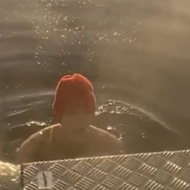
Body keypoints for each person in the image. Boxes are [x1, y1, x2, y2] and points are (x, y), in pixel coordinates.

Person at [16, 73, 124, 163]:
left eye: (86, 112)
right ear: (60, 115)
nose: (80, 120)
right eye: (72, 113)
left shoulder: (110, 144)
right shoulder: (34, 146)